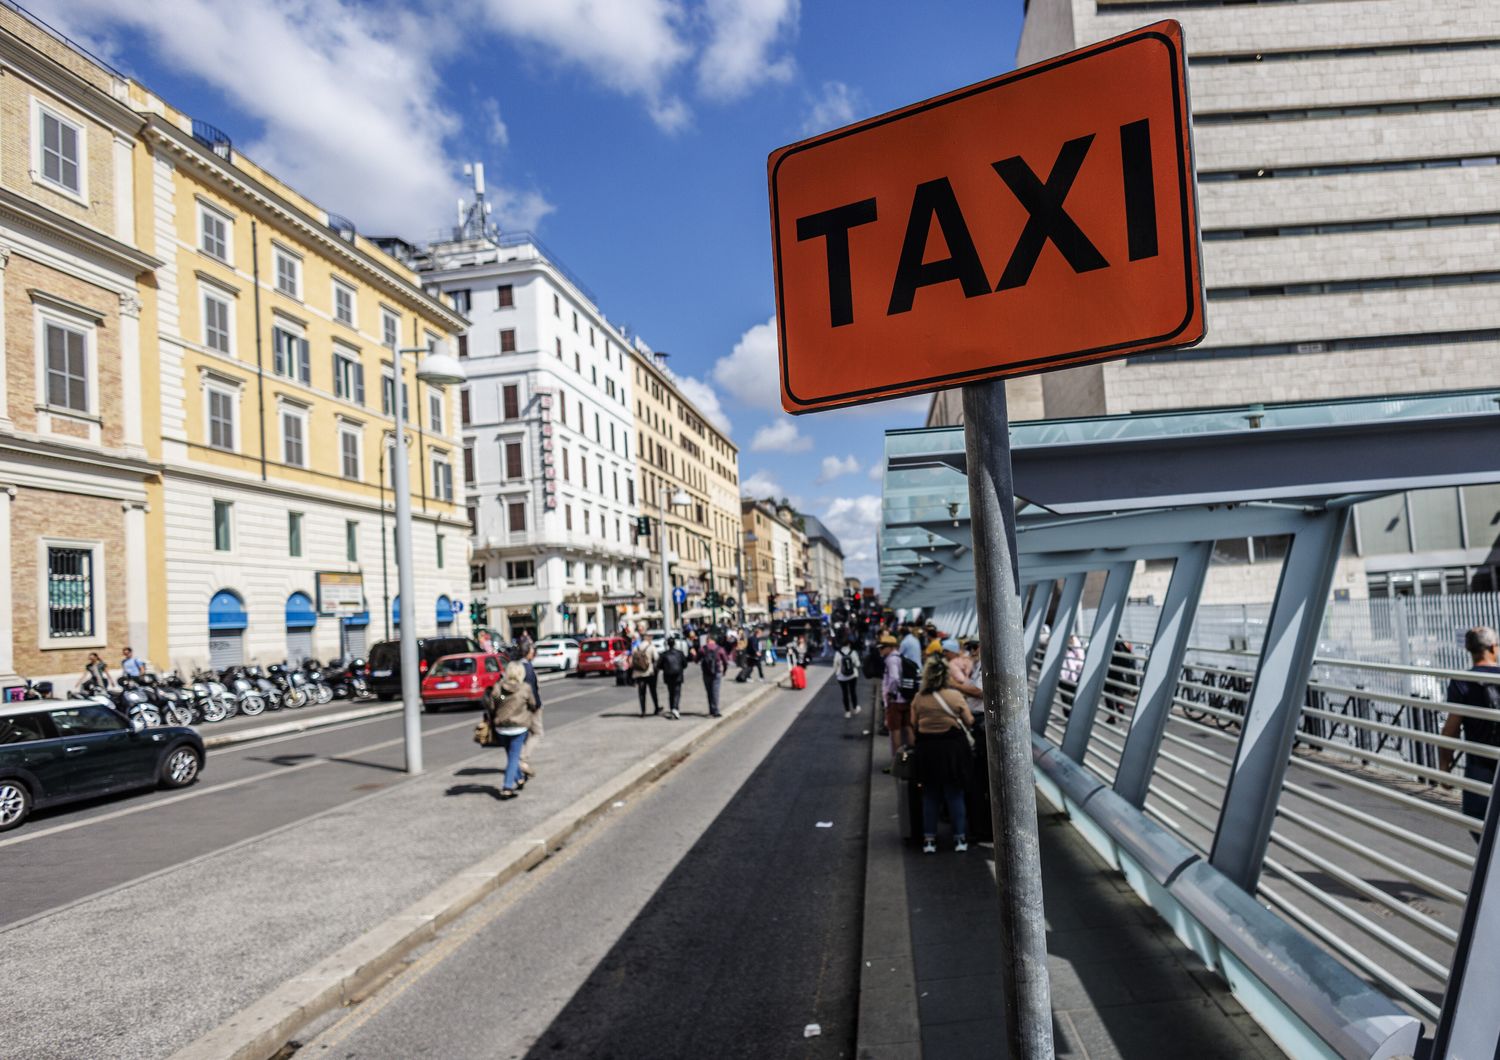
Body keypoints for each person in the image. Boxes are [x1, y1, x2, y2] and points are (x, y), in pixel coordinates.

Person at [910, 655, 975, 853]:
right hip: (952, 752)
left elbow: (913, 723)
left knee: (930, 795)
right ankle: (960, 839)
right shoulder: (954, 696)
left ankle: (929, 840)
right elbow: (969, 720)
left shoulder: (919, 698)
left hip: (927, 751)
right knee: (955, 794)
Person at [1439, 626, 1500, 835]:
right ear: (1494, 648)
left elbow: (1450, 730)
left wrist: (1444, 768)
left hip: (1479, 769)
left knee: (1481, 831)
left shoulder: (1462, 681)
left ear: (1469, 650)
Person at [486, 661, 537, 799]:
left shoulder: (499, 688)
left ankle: (519, 779)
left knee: (511, 755)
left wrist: (503, 702)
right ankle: (507, 787)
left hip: (501, 727)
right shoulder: (525, 688)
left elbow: (493, 705)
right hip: (519, 727)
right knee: (514, 757)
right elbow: (533, 704)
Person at [880, 633, 913, 766]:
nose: (880, 650)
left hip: (896, 701)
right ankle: (912, 756)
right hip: (906, 699)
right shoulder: (900, 657)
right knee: (908, 727)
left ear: (890, 647)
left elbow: (893, 678)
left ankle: (897, 761)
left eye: (882, 647)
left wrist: (890, 694)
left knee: (895, 731)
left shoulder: (891, 660)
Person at [520, 644, 543, 778]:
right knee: (537, 733)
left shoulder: (514, 668)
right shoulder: (528, 668)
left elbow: (501, 694)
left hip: (513, 712)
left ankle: (519, 763)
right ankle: (522, 759)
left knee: (521, 737)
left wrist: (498, 704)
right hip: (528, 708)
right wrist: (536, 705)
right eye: (532, 651)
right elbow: (531, 690)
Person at [699, 633, 729, 717]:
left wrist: (694, 654)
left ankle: (711, 710)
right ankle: (715, 710)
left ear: (708, 639)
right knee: (715, 691)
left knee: (709, 692)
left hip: (706, 673)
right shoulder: (719, 649)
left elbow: (696, 660)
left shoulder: (703, 649)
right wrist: (725, 670)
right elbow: (725, 661)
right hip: (717, 672)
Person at [659, 637, 688, 719]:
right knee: (677, 693)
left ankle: (673, 708)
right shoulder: (680, 653)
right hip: (678, 676)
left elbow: (659, 665)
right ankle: (675, 708)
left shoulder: (664, 654)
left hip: (668, 676)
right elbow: (685, 664)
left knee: (671, 693)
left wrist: (666, 668)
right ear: (674, 644)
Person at [834, 637, 862, 718]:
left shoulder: (838, 653)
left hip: (841, 677)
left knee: (845, 693)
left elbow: (835, 665)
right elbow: (858, 664)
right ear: (849, 644)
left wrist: (837, 673)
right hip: (852, 675)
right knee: (853, 692)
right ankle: (855, 708)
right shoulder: (853, 652)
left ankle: (847, 712)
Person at [631, 636, 660, 716]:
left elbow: (633, 660)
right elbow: (656, 658)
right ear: (648, 639)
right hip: (649, 672)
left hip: (639, 673)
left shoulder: (636, 648)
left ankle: (643, 711)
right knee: (653, 691)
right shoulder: (651, 647)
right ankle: (656, 708)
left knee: (641, 693)